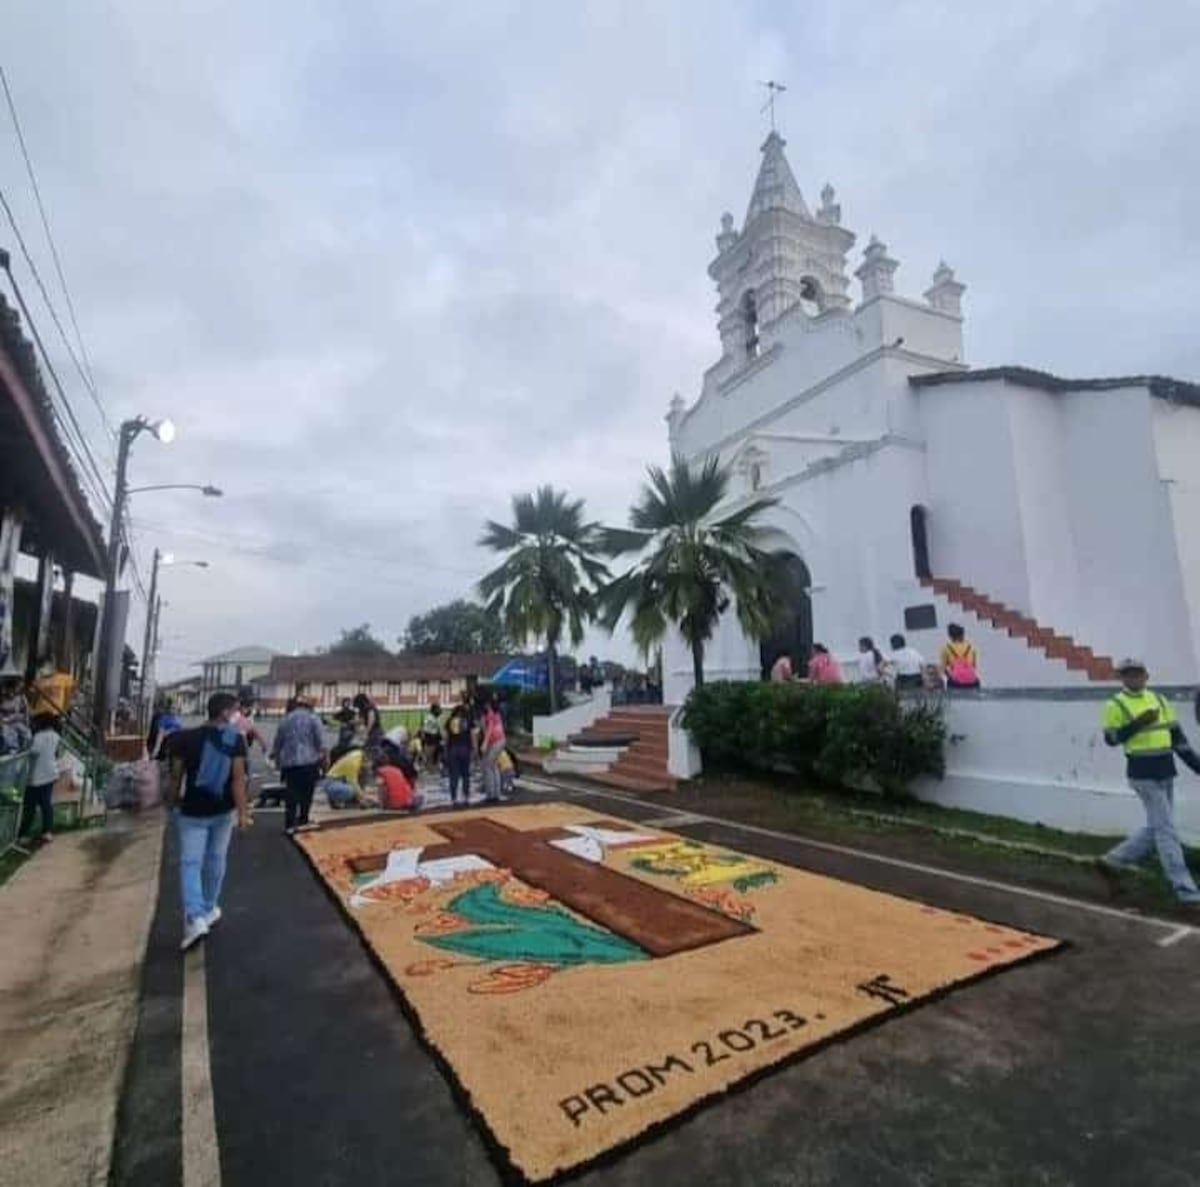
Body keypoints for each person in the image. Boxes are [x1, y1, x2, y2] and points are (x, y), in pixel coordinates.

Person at [1097, 659, 1200, 908]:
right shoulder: (1115, 704)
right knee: (1166, 831)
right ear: (1121, 678)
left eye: (1137, 674)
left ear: (1146, 676)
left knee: (1158, 827)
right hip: (1142, 774)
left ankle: (1111, 861)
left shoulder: (1161, 701)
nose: (1133, 678)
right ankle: (1186, 892)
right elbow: (1111, 739)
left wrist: (1198, 767)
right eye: (1128, 674)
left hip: (1166, 770)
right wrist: (1137, 723)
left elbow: (1178, 740)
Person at [168, 692, 251, 951]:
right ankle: (208, 908)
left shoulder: (183, 739)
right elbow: (238, 780)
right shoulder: (235, 740)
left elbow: (176, 778)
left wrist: (172, 802)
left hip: (192, 811)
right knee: (216, 859)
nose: (238, 715)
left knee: (191, 863)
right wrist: (243, 813)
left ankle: (195, 918)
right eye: (235, 710)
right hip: (222, 811)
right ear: (225, 713)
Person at [270, 694, 327, 835]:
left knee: (292, 792)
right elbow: (321, 743)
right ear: (311, 707)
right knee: (306, 793)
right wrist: (325, 761)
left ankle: (289, 823)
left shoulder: (286, 719)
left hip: (289, 763)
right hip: (309, 762)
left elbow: (278, 743)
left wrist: (277, 760)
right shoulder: (314, 719)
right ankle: (303, 819)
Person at [20, 713, 60, 842]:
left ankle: (23, 834)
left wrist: (26, 745)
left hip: (37, 776)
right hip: (50, 773)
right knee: (46, 804)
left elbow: (34, 752)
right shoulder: (56, 736)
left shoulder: (38, 737)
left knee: (30, 806)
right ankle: (47, 831)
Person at [444, 692, 475, 806]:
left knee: (454, 775)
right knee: (465, 774)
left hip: (453, 749)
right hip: (465, 748)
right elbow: (472, 735)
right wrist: (474, 749)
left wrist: (446, 749)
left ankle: (454, 798)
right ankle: (466, 797)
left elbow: (447, 737)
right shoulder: (467, 720)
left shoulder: (450, 720)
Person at [479, 695, 507, 804]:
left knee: (488, 765)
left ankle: (491, 794)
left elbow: (489, 729)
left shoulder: (490, 712)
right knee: (493, 765)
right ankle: (495, 793)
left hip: (496, 741)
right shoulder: (495, 712)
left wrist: (485, 743)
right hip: (499, 740)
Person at [940, 624, 980, 689]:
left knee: (950, 685)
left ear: (950, 636)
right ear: (962, 635)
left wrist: (952, 676)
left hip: (955, 683)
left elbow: (943, 668)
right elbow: (974, 666)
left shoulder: (946, 648)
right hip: (972, 682)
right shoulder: (971, 647)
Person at [420, 703, 444, 770]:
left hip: (436, 736)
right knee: (430, 753)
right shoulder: (429, 718)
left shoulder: (437, 717)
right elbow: (424, 728)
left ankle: (434, 766)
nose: (440, 710)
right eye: (438, 709)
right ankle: (427, 766)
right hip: (430, 736)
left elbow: (439, 728)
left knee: (438, 751)